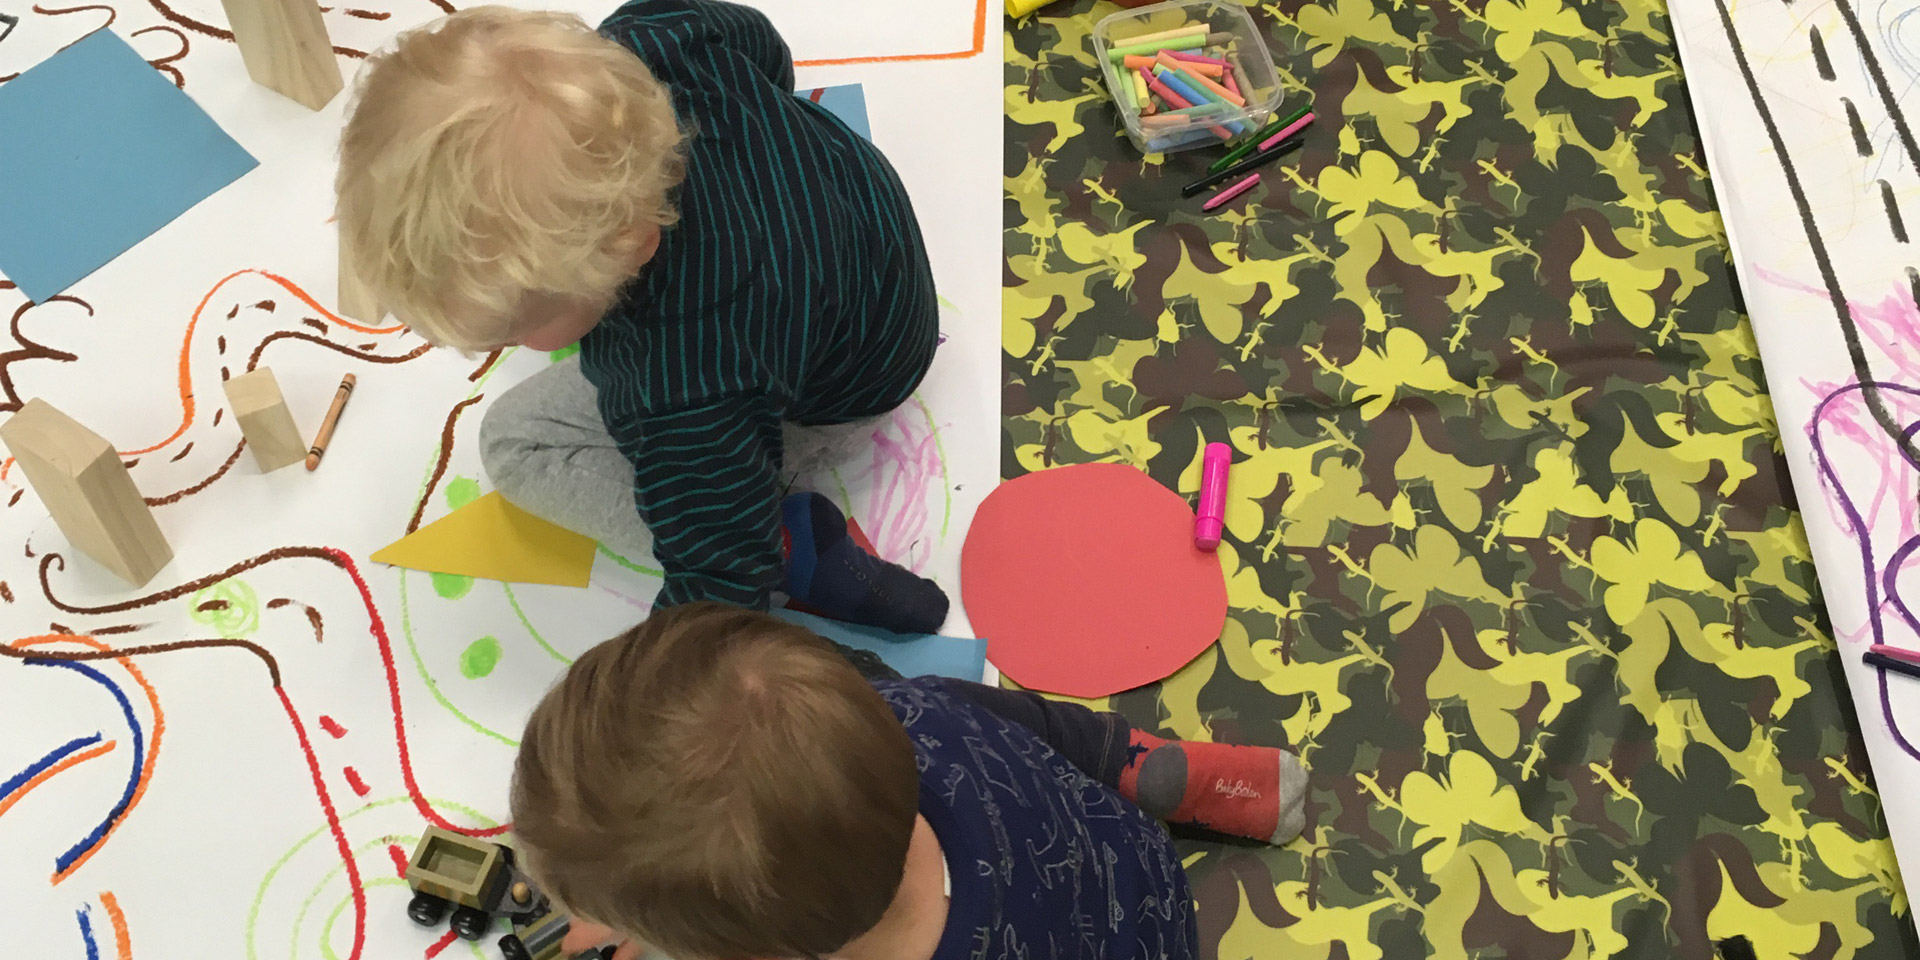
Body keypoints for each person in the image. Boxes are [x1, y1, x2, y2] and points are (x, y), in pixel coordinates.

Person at [335, 3, 948, 633]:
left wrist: (684, 638)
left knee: (515, 443)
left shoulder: (683, 386)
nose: (511, 345)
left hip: (850, 385)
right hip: (868, 243)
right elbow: (763, 47)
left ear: (628, 246)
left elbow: (718, 581)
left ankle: (794, 553)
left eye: (515, 330)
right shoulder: (650, 42)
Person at [510, 604, 1309, 960]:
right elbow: (1024, 725)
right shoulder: (906, 717)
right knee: (1042, 736)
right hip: (1139, 877)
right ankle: (1148, 766)